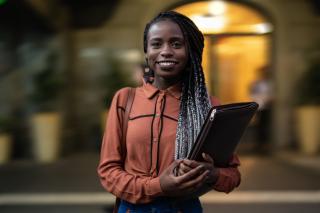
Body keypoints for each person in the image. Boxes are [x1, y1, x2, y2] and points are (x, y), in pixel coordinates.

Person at [98, 11, 241, 213]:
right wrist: (158, 186)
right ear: (146, 52)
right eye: (156, 44)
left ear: (191, 51)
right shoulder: (125, 99)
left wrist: (212, 174)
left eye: (176, 44)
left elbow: (232, 177)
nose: (166, 51)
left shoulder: (208, 106)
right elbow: (108, 172)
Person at [250, 65, 273, 154]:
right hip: (260, 108)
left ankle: (265, 146)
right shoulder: (256, 84)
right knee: (259, 127)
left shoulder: (269, 83)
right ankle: (259, 146)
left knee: (266, 127)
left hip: (267, 108)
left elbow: (271, 94)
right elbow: (253, 95)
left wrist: (270, 99)